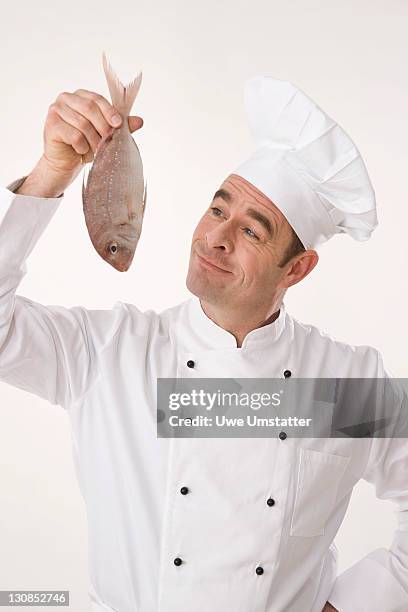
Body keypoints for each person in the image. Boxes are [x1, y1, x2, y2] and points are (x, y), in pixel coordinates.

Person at [0, 76, 407, 612]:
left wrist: (361, 603)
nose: (217, 237)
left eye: (252, 232)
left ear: (299, 268)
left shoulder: (341, 383)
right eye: (218, 211)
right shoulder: (109, 351)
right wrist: (51, 172)